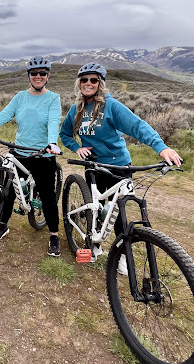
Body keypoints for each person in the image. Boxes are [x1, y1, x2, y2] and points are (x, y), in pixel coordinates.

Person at [59, 62, 182, 268]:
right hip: (93, 166)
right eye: (84, 80)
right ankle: (94, 243)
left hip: (119, 166)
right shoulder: (76, 109)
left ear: (100, 83)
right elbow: (65, 134)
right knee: (96, 208)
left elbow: (137, 126)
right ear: (79, 83)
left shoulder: (111, 106)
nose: (88, 83)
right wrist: (77, 148)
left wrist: (161, 147)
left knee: (118, 213)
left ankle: (122, 254)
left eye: (93, 80)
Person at [0, 56, 62, 256]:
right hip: (19, 151)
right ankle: (2, 224)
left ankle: (54, 235)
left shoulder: (53, 98)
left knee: (47, 196)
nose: (38, 76)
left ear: (47, 76)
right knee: (8, 190)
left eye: (42, 73)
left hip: (43, 154)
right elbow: (5, 114)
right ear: (29, 76)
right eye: (34, 73)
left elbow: (53, 121)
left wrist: (52, 142)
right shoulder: (20, 97)